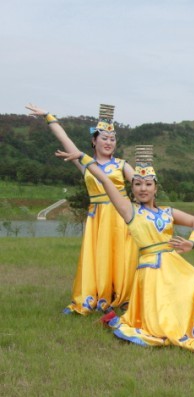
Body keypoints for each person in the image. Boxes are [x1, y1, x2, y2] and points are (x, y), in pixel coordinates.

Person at [55, 146, 194, 351]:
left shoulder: (168, 212)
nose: (143, 188)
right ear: (132, 189)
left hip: (173, 263)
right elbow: (106, 181)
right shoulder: (129, 211)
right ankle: (169, 323)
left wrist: (192, 242)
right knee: (170, 303)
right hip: (151, 269)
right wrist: (82, 157)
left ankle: (193, 323)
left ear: (155, 188)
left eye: (148, 184)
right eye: (138, 184)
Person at [25, 103, 138, 315]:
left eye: (112, 139)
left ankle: (122, 297)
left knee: (122, 257)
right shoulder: (85, 163)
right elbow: (66, 141)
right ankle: (95, 296)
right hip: (97, 218)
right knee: (98, 257)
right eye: (103, 138)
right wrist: (49, 117)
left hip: (120, 217)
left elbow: (141, 186)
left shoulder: (122, 165)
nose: (108, 142)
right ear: (93, 141)